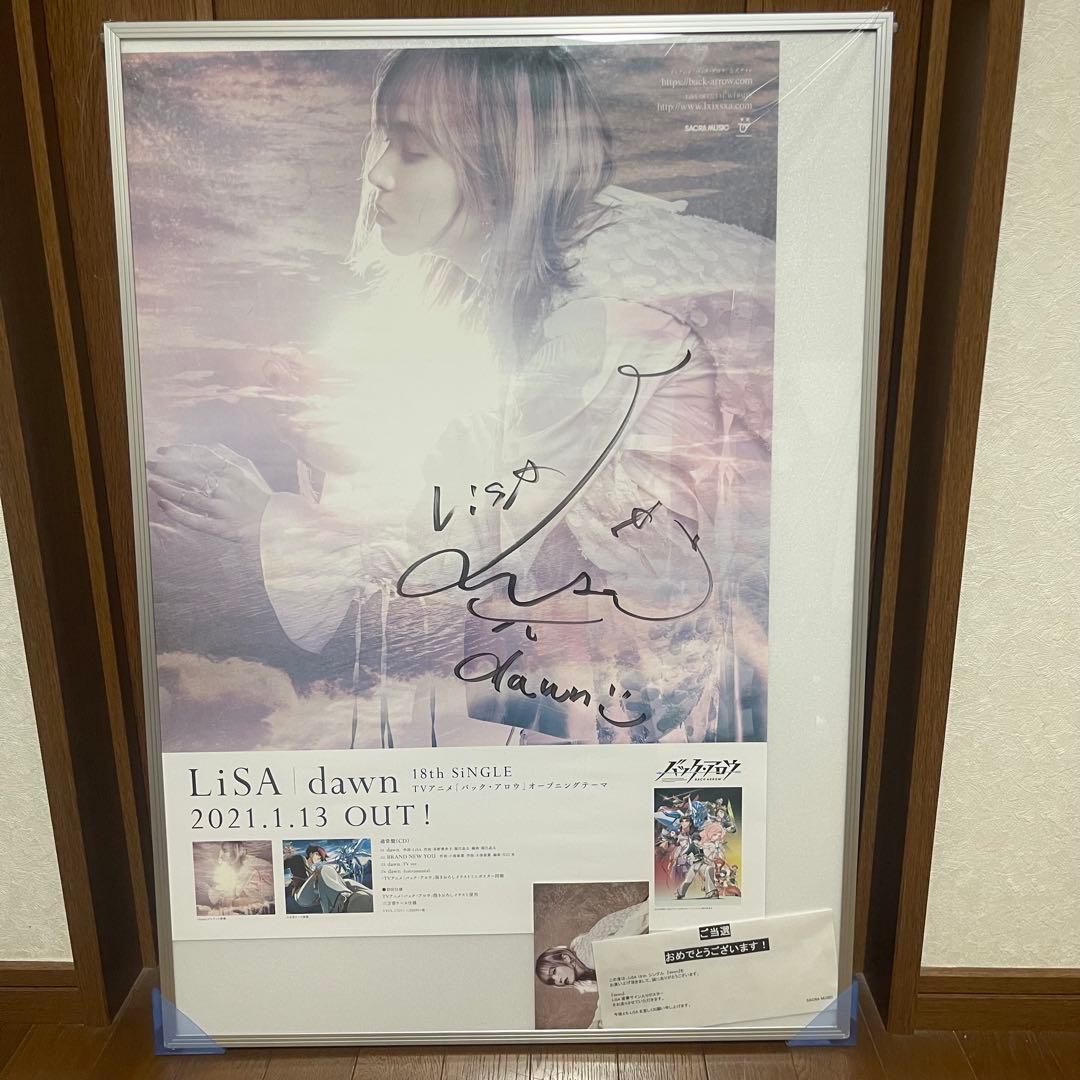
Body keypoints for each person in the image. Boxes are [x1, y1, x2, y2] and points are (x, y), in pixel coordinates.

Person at [149, 45, 774, 749]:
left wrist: (272, 523)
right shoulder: (564, 253)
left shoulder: (589, 320)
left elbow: (476, 561)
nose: (378, 173)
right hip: (636, 667)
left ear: (498, 165)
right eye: (385, 140)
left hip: (662, 692)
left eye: (413, 150)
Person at [535, 899, 649, 1027]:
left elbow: (632, 930)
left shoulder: (589, 957)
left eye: (554, 971)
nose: (558, 980)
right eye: (552, 981)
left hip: (650, 917)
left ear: (565, 958)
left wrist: (597, 1021)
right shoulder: (585, 965)